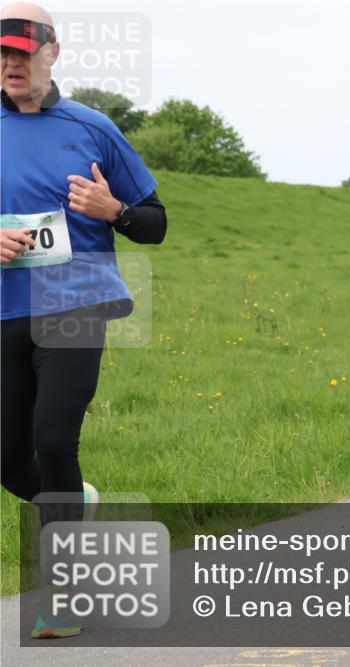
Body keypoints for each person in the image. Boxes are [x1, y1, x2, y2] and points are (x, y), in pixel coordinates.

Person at [1, 2, 167, 638]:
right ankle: (80, 504)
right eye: (2, 54)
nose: (12, 64)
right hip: (4, 309)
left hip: (75, 302)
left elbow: (155, 223)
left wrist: (113, 207)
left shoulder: (92, 127)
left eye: (23, 50)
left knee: (52, 438)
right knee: (9, 458)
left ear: (53, 52)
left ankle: (64, 593)